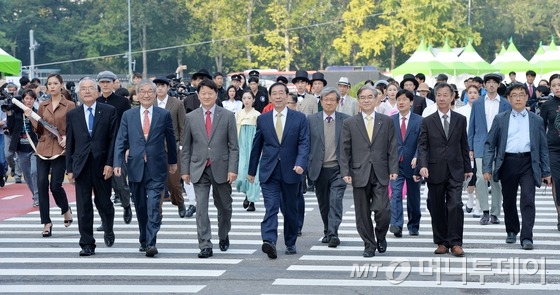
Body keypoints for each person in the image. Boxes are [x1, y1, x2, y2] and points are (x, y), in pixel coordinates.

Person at [114, 79, 177, 257]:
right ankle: (144, 237)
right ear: (137, 95)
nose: (147, 94)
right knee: (140, 205)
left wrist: (173, 161)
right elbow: (121, 140)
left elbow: (171, 140)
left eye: (150, 91)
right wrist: (117, 162)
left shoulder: (163, 114)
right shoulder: (129, 115)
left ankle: (151, 241)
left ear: (155, 94)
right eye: (143, 91)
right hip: (135, 166)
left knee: (153, 205)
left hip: (157, 167)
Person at [483, 83, 551, 249]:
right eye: (514, 95)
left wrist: (546, 171)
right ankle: (512, 230)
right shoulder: (501, 119)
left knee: (528, 199)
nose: (518, 98)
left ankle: (527, 237)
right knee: (509, 200)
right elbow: (490, 144)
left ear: (527, 97)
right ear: (509, 98)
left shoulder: (536, 120)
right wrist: (486, 167)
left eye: (522, 94)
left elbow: (543, 147)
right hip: (507, 162)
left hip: (529, 162)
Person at [248, 82, 310, 259]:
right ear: (269, 97)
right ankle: (269, 241)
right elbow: (256, 146)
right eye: (274, 94)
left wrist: (301, 163)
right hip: (269, 171)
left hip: (292, 170)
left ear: (287, 95)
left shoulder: (299, 118)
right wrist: (252, 171)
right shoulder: (263, 119)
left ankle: (290, 242)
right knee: (271, 207)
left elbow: (304, 144)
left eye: (281, 93)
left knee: (290, 210)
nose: (277, 96)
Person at [181, 79, 239, 258]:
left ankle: (223, 235)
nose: (206, 96)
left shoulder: (227, 116)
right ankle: (205, 244)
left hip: (221, 168)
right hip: (199, 168)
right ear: (198, 95)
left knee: (225, 207)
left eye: (210, 93)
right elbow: (186, 146)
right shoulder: (191, 117)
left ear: (216, 95)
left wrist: (233, 169)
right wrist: (185, 171)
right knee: (201, 208)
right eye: (203, 93)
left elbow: (233, 146)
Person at [339, 85, 398, 257]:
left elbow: (392, 147)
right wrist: (345, 172)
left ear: (377, 99)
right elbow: (344, 150)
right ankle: (369, 245)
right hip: (359, 171)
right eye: (363, 97)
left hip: (380, 171)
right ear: (358, 100)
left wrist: (393, 168)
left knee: (383, 210)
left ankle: (381, 235)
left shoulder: (386, 121)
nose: (366, 100)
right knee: (362, 213)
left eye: (370, 97)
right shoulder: (349, 123)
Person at [416, 83, 473, 257]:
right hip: (434, 168)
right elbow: (423, 146)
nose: (441, 98)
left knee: (455, 204)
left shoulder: (460, 119)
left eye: (445, 95)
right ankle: (441, 241)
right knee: (437, 206)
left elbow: (464, 144)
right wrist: (422, 165)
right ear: (435, 97)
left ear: (452, 97)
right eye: (438, 95)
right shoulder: (427, 120)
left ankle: (456, 242)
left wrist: (468, 167)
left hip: (455, 168)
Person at [66, 77, 118, 256]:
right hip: (81, 165)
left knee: (104, 203)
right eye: (83, 89)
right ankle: (87, 243)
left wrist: (111, 163)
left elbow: (113, 140)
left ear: (97, 92)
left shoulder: (109, 111)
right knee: (83, 206)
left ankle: (108, 228)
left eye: (90, 88)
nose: (87, 91)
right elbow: (70, 144)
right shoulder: (73, 114)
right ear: (79, 93)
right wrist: (70, 169)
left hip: (102, 165)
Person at [28, 73, 75, 237]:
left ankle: (65, 209)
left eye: (55, 83)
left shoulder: (70, 105)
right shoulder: (43, 105)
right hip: (43, 148)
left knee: (55, 185)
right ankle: (46, 222)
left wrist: (68, 138)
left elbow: (74, 127)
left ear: (61, 85)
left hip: (61, 150)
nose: (52, 86)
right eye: (50, 84)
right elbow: (40, 129)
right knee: (41, 184)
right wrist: (31, 117)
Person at [308, 87, 349, 248]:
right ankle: (327, 229)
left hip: (338, 169)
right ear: (321, 101)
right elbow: (306, 144)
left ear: (338, 102)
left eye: (333, 99)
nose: (329, 102)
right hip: (319, 169)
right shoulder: (311, 120)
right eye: (326, 99)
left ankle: (333, 233)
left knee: (335, 201)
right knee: (324, 203)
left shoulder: (346, 120)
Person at [468, 73, 511, 225]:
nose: (491, 85)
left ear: (499, 85)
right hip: (480, 144)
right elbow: (472, 126)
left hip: (499, 145)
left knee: (496, 179)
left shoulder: (506, 103)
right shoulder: (478, 103)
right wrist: (470, 147)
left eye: (494, 82)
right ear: (484, 85)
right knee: (480, 177)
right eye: (489, 82)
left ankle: (495, 212)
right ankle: (484, 211)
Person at [96, 70, 133, 227]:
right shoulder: (94, 101)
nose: (105, 85)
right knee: (101, 187)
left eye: (108, 82)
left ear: (114, 83)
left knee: (119, 183)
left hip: (119, 146)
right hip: (99, 149)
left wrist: (128, 147)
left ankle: (126, 205)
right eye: (102, 82)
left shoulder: (122, 102)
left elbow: (129, 125)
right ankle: (105, 220)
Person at [389, 89, 423, 237]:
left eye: (404, 99)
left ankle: (414, 224)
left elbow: (422, 143)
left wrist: (418, 157)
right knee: (396, 194)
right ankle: (396, 224)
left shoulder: (419, 120)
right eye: (399, 99)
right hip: (395, 164)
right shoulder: (391, 121)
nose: (401, 102)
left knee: (413, 197)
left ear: (411, 102)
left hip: (413, 164)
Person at [153, 77, 187, 218]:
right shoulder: (150, 103)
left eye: (162, 86)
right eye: (157, 86)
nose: (160, 88)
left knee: (173, 183)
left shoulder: (177, 104)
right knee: (157, 183)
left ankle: (179, 202)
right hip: (154, 148)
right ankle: (158, 212)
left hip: (172, 147)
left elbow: (182, 126)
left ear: (168, 88)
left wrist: (182, 146)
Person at [6, 90, 39, 205]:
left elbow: (40, 129)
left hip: (35, 148)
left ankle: (37, 196)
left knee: (35, 171)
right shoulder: (17, 112)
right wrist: (9, 114)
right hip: (21, 149)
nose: (28, 101)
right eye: (26, 99)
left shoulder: (37, 112)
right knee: (27, 174)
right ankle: (35, 195)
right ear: (23, 100)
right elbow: (10, 129)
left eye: (31, 99)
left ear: (34, 100)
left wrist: (31, 117)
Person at [456, 85, 481, 217]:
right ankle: (470, 198)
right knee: (468, 178)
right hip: (463, 148)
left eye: (475, 93)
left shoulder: (482, 110)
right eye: (469, 93)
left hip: (478, 147)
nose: (472, 95)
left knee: (479, 178)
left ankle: (478, 205)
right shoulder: (461, 111)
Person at [235, 91, 261, 212]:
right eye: (244, 98)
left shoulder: (257, 114)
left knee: (253, 171)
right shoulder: (237, 114)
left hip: (253, 144)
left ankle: (251, 200)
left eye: (249, 98)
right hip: (241, 144)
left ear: (253, 100)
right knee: (241, 173)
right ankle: (246, 193)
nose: (246, 100)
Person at [544, 74, 560, 231]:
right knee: (557, 182)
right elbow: (540, 129)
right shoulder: (547, 105)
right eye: (554, 85)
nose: (557, 87)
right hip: (553, 149)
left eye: (559, 84)